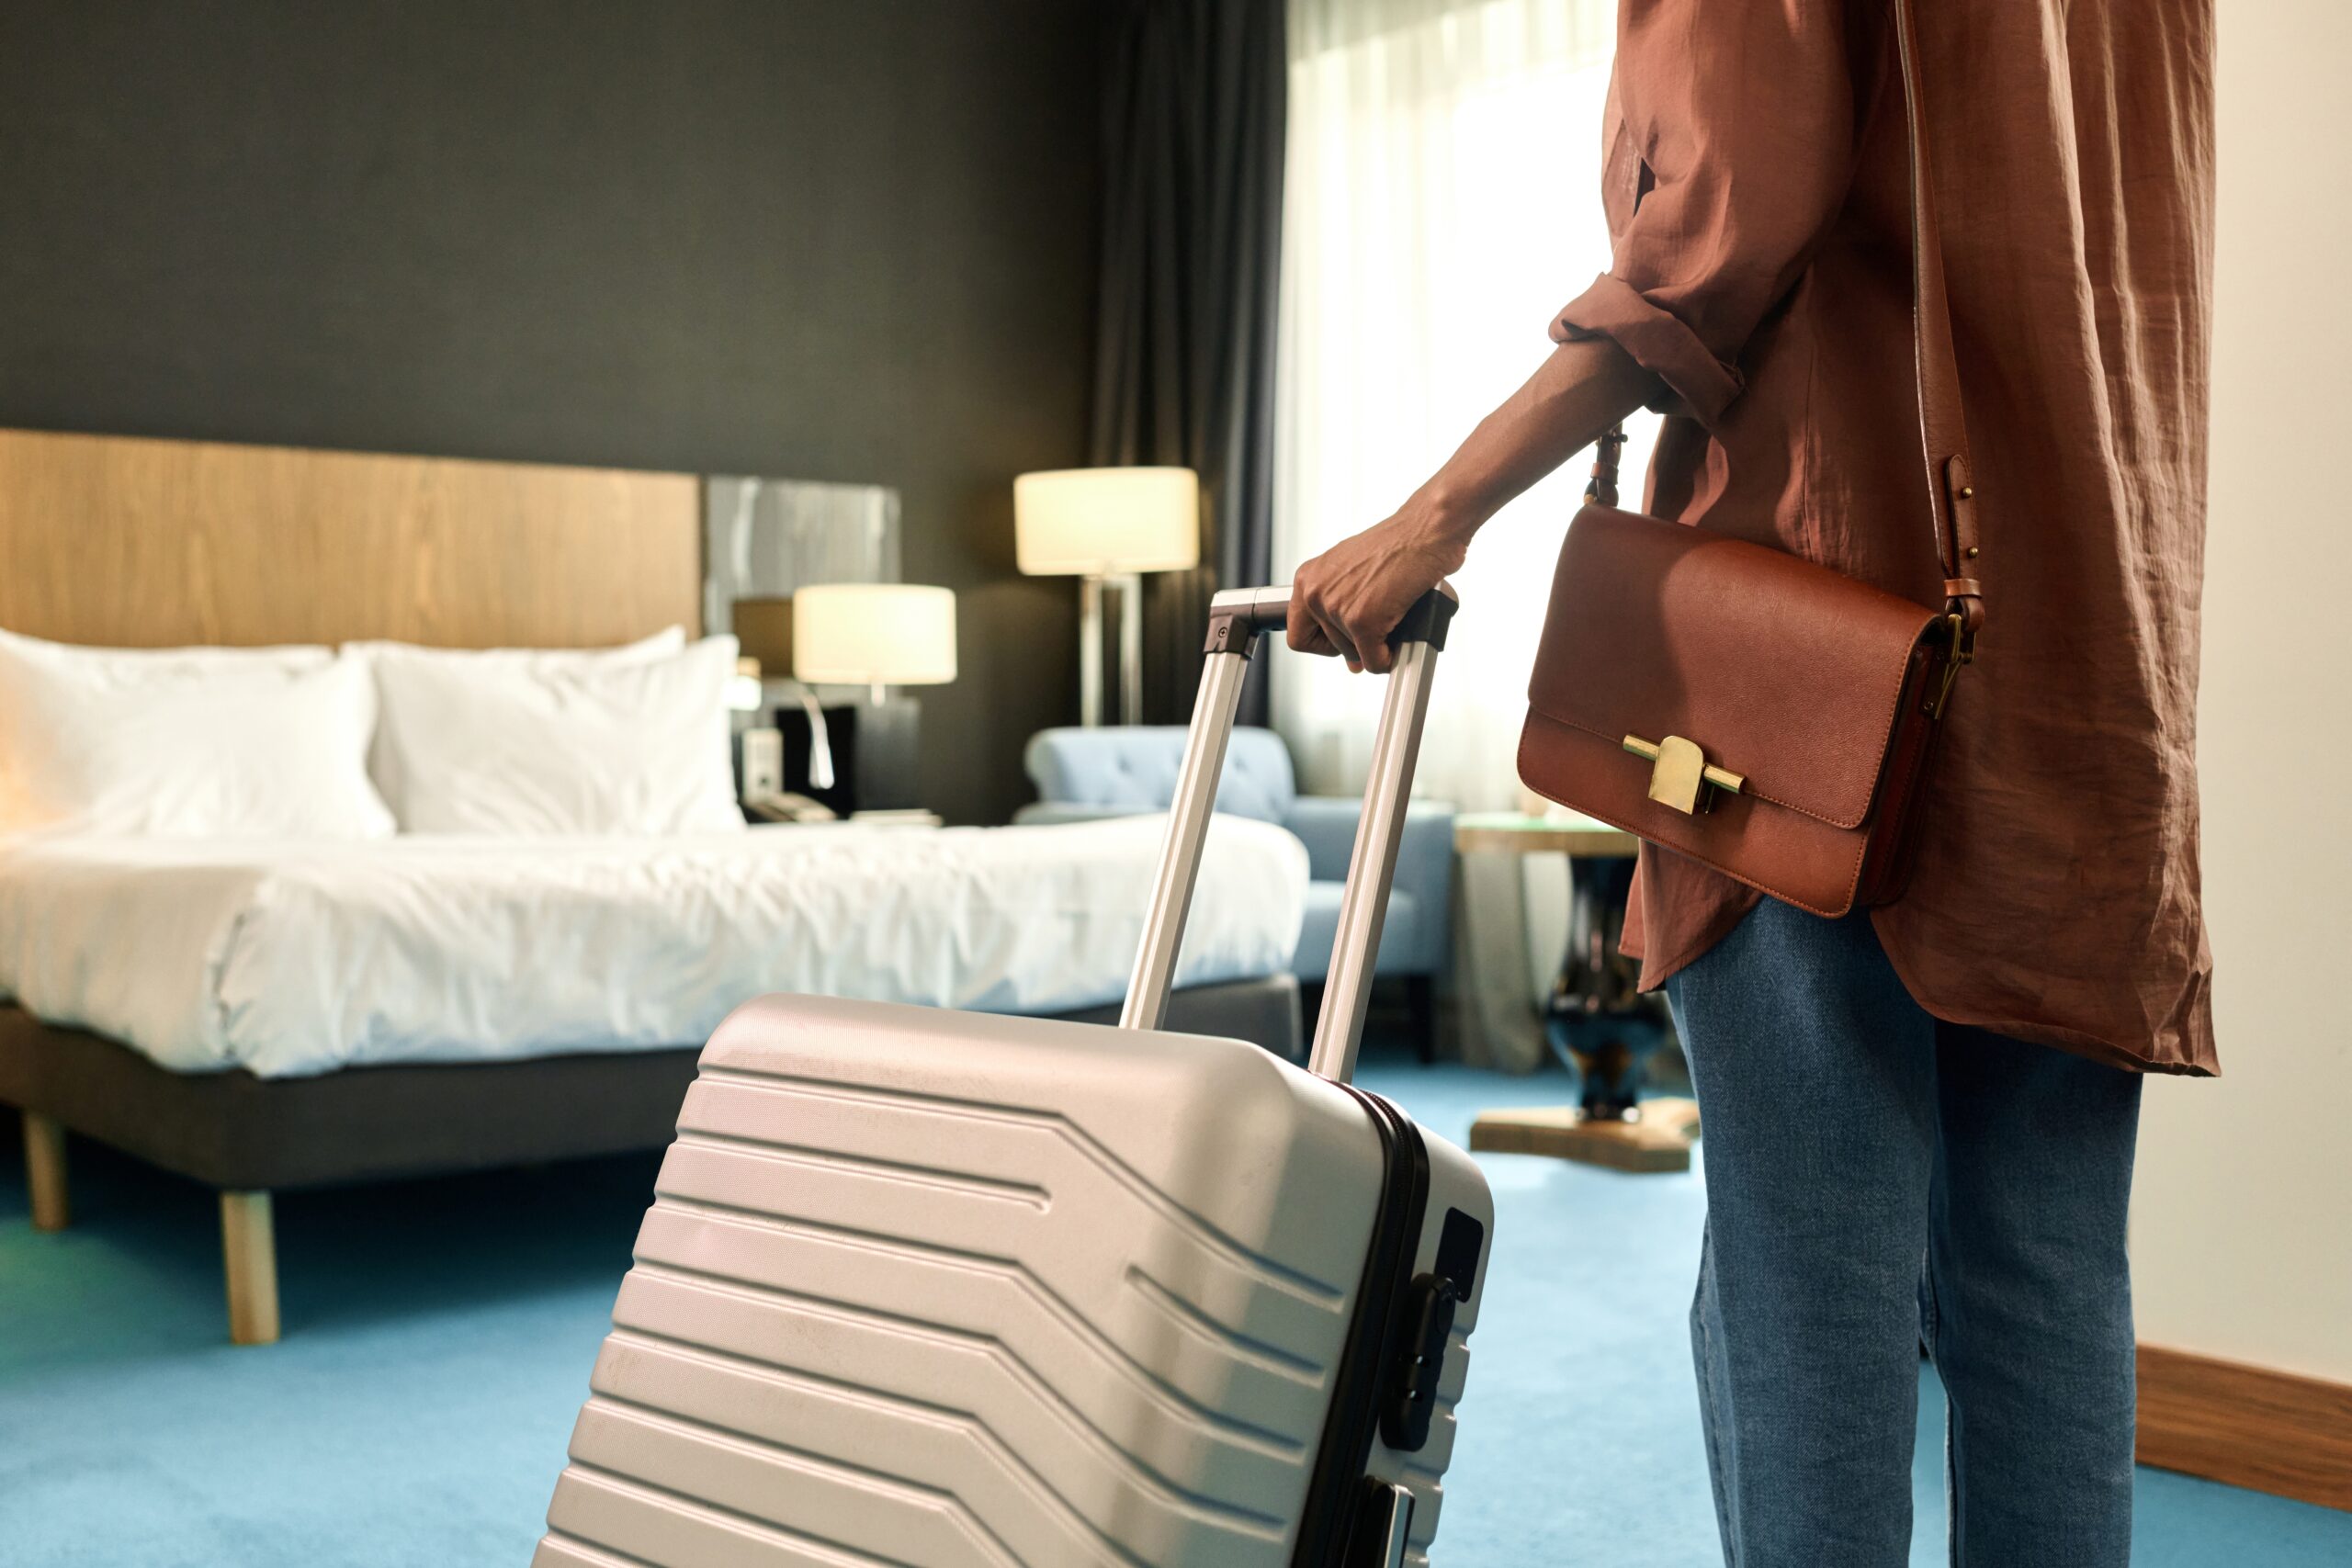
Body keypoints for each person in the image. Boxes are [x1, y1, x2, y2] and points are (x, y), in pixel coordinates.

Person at [1285, 2, 2217, 1563]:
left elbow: (1702, 258)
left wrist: (1436, 513)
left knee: (1807, 1286)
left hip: (1826, 680)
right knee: (2044, 1292)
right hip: (2093, 678)